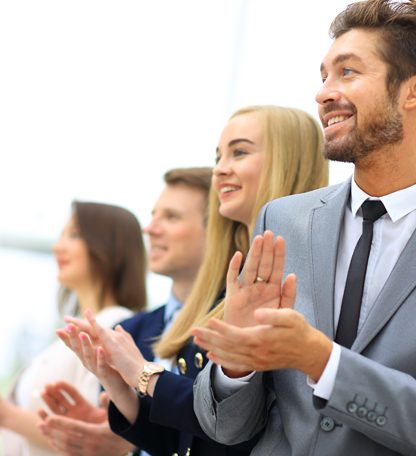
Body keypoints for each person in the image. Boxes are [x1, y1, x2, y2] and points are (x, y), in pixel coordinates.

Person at [191, 1, 416, 455]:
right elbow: (228, 428)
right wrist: (236, 368)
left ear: (414, 91)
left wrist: (322, 361)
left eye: (348, 72)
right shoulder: (283, 220)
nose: (323, 93)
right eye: (323, 76)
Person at [56, 105, 329, 456]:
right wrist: (122, 388)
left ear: (287, 163)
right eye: (218, 156)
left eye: (239, 152)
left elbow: (243, 433)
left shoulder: (307, 283)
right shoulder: (223, 293)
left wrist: (143, 373)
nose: (220, 169)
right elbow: (195, 439)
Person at [0, 202, 146, 456]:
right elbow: (32, 440)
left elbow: (94, 437)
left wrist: (2, 413)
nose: (57, 246)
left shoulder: (117, 327)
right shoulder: (67, 336)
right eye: (60, 236)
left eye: (74, 235)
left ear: (108, 246)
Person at [37, 167, 212, 455]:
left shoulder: (228, 322)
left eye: (172, 216)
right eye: (154, 215)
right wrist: (123, 423)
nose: (150, 228)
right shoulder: (131, 330)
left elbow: (220, 426)